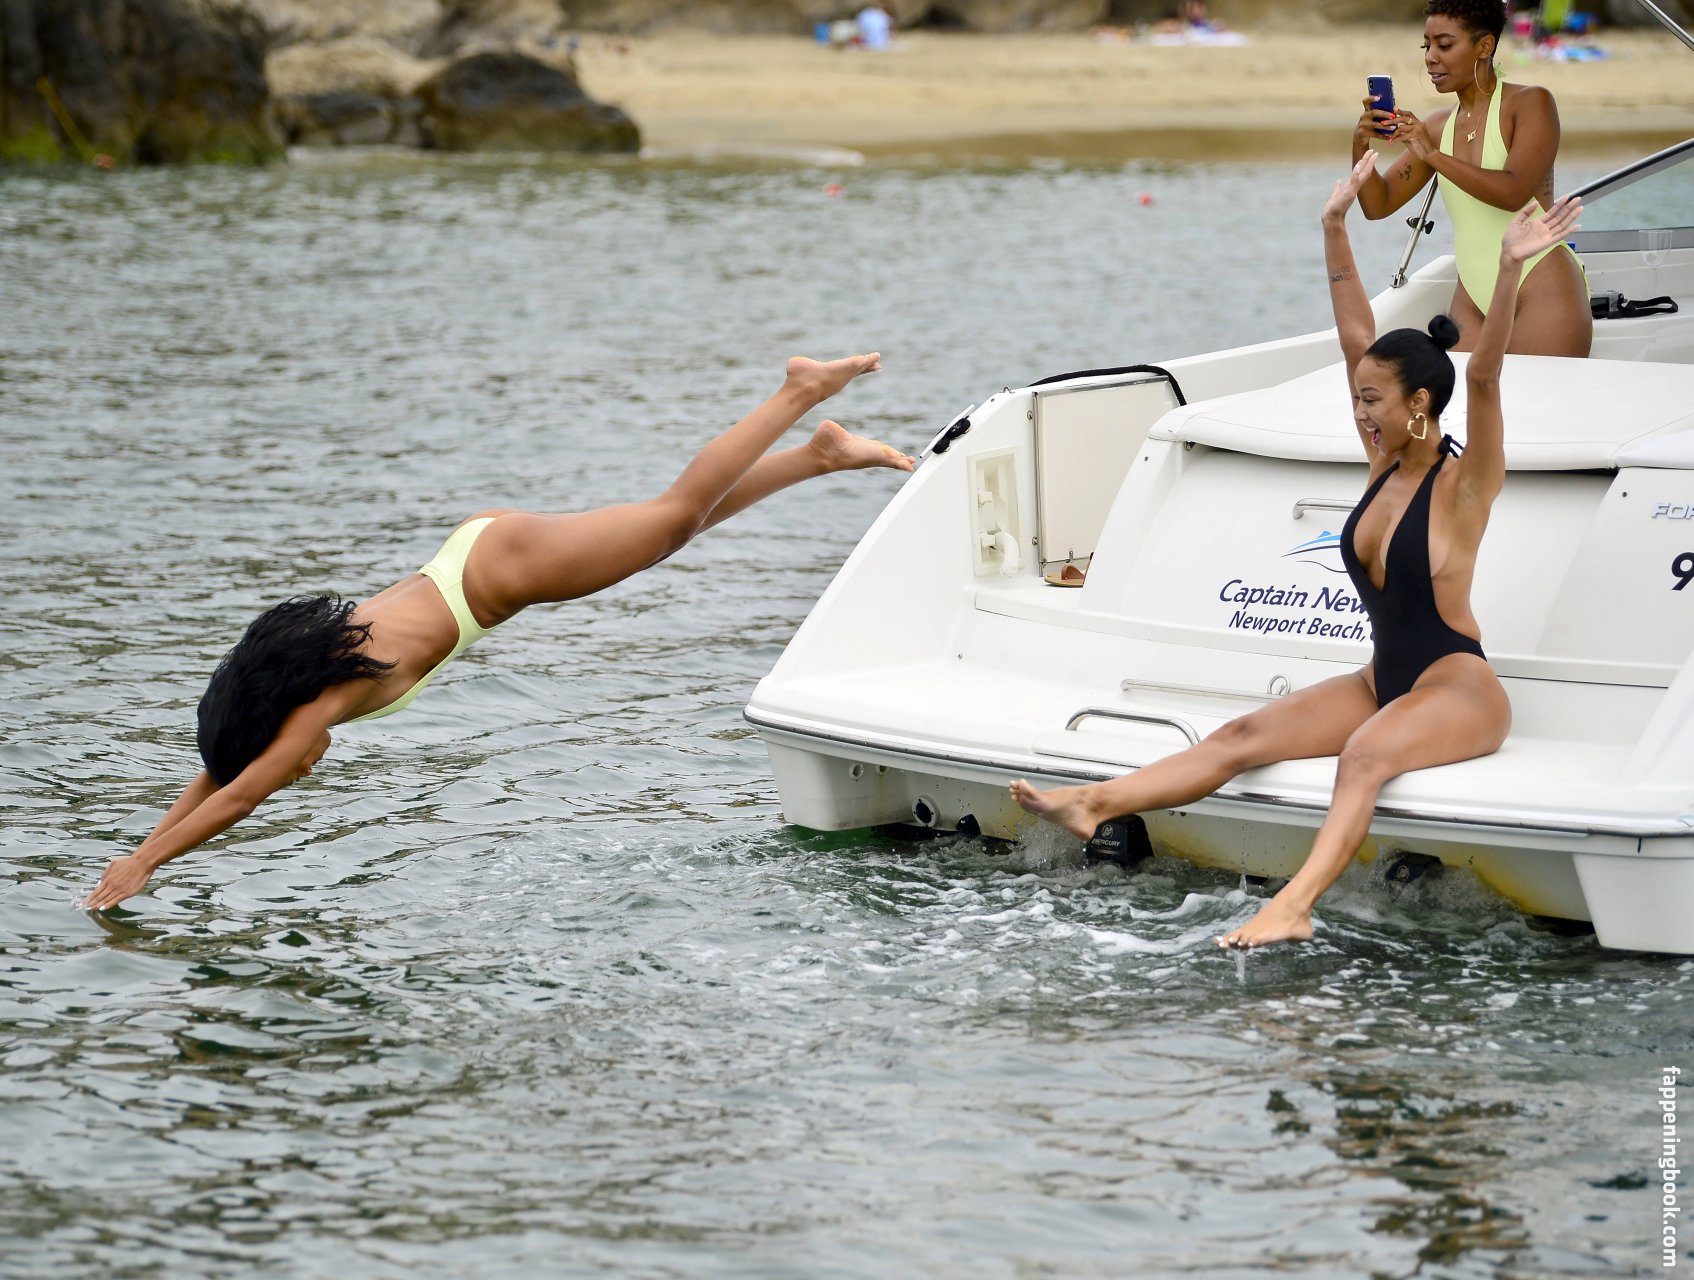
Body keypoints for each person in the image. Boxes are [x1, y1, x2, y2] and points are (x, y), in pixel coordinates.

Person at [84, 354, 910, 911]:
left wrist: (147, 864)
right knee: (666, 532)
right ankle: (820, 455)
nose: (301, 771)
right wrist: (138, 848)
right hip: (476, 552)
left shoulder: (317, 708)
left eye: (290, 766)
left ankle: (800, 391)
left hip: (501, 574)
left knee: (671, 515)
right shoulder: (307, 677)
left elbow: (240, 793)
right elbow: (222, 772)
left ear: (277, 733)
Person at [1011, 155, 1582, 950]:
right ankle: (1097, 802)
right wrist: (1334, 225)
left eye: (1373, 400)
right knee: (1240, 737)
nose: (1361, 413)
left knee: (1364, 756)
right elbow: (1355, 335)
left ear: (1420, 402)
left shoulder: (1467, 484)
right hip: (1381, 679)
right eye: (1358, 399)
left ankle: (1295, 904)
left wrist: (1512, 268)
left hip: (1460, 690)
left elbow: (1483, 379)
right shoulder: (1382, 462)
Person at [1352, 0, 1591, 357]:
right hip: (1472, 296)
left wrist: (1433, 156)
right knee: (1461, 396)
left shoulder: (1530, 103)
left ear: (1484, 46)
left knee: (1534, 395)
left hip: (1540, 285)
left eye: (1444, 45)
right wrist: (1360, 142)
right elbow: (1377, 204)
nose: (1430, 58)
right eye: (1426, 46)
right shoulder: (1436, 127)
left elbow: (1512, 192)